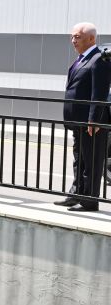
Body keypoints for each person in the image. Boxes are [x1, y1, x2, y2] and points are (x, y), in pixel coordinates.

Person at [54, 23, 110, 212]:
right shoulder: (82, 59)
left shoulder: (99, 59)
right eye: (72, 36)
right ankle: (76, 194)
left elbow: (99, 92)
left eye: (77, 37)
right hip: (78, 121)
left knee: (91, 161)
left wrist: (94, 120)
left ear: (91, 38)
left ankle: (89, 201)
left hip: (91, 122)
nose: (73, 40)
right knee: (79, 159)